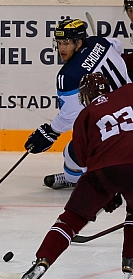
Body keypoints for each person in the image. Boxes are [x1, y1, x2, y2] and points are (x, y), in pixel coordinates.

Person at [21, 73, 133, 279]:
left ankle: (43, 260)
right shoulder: (129, 91)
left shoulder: (86, 114)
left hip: (102, 171)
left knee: (70, 220)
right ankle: (130, 260)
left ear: (85, 96)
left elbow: (83, 160)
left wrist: (106, 190)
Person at [24, 18, 129, 189]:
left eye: (66, 43)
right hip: (129, 112)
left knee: (72, 151)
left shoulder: (68, 76)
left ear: (79, 42)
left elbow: (69, 117)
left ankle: (76, 180)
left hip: (112, 127)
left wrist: (51, 132)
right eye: (59, 43)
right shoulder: (100, 42)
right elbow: (118, 45)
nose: (61, 48)